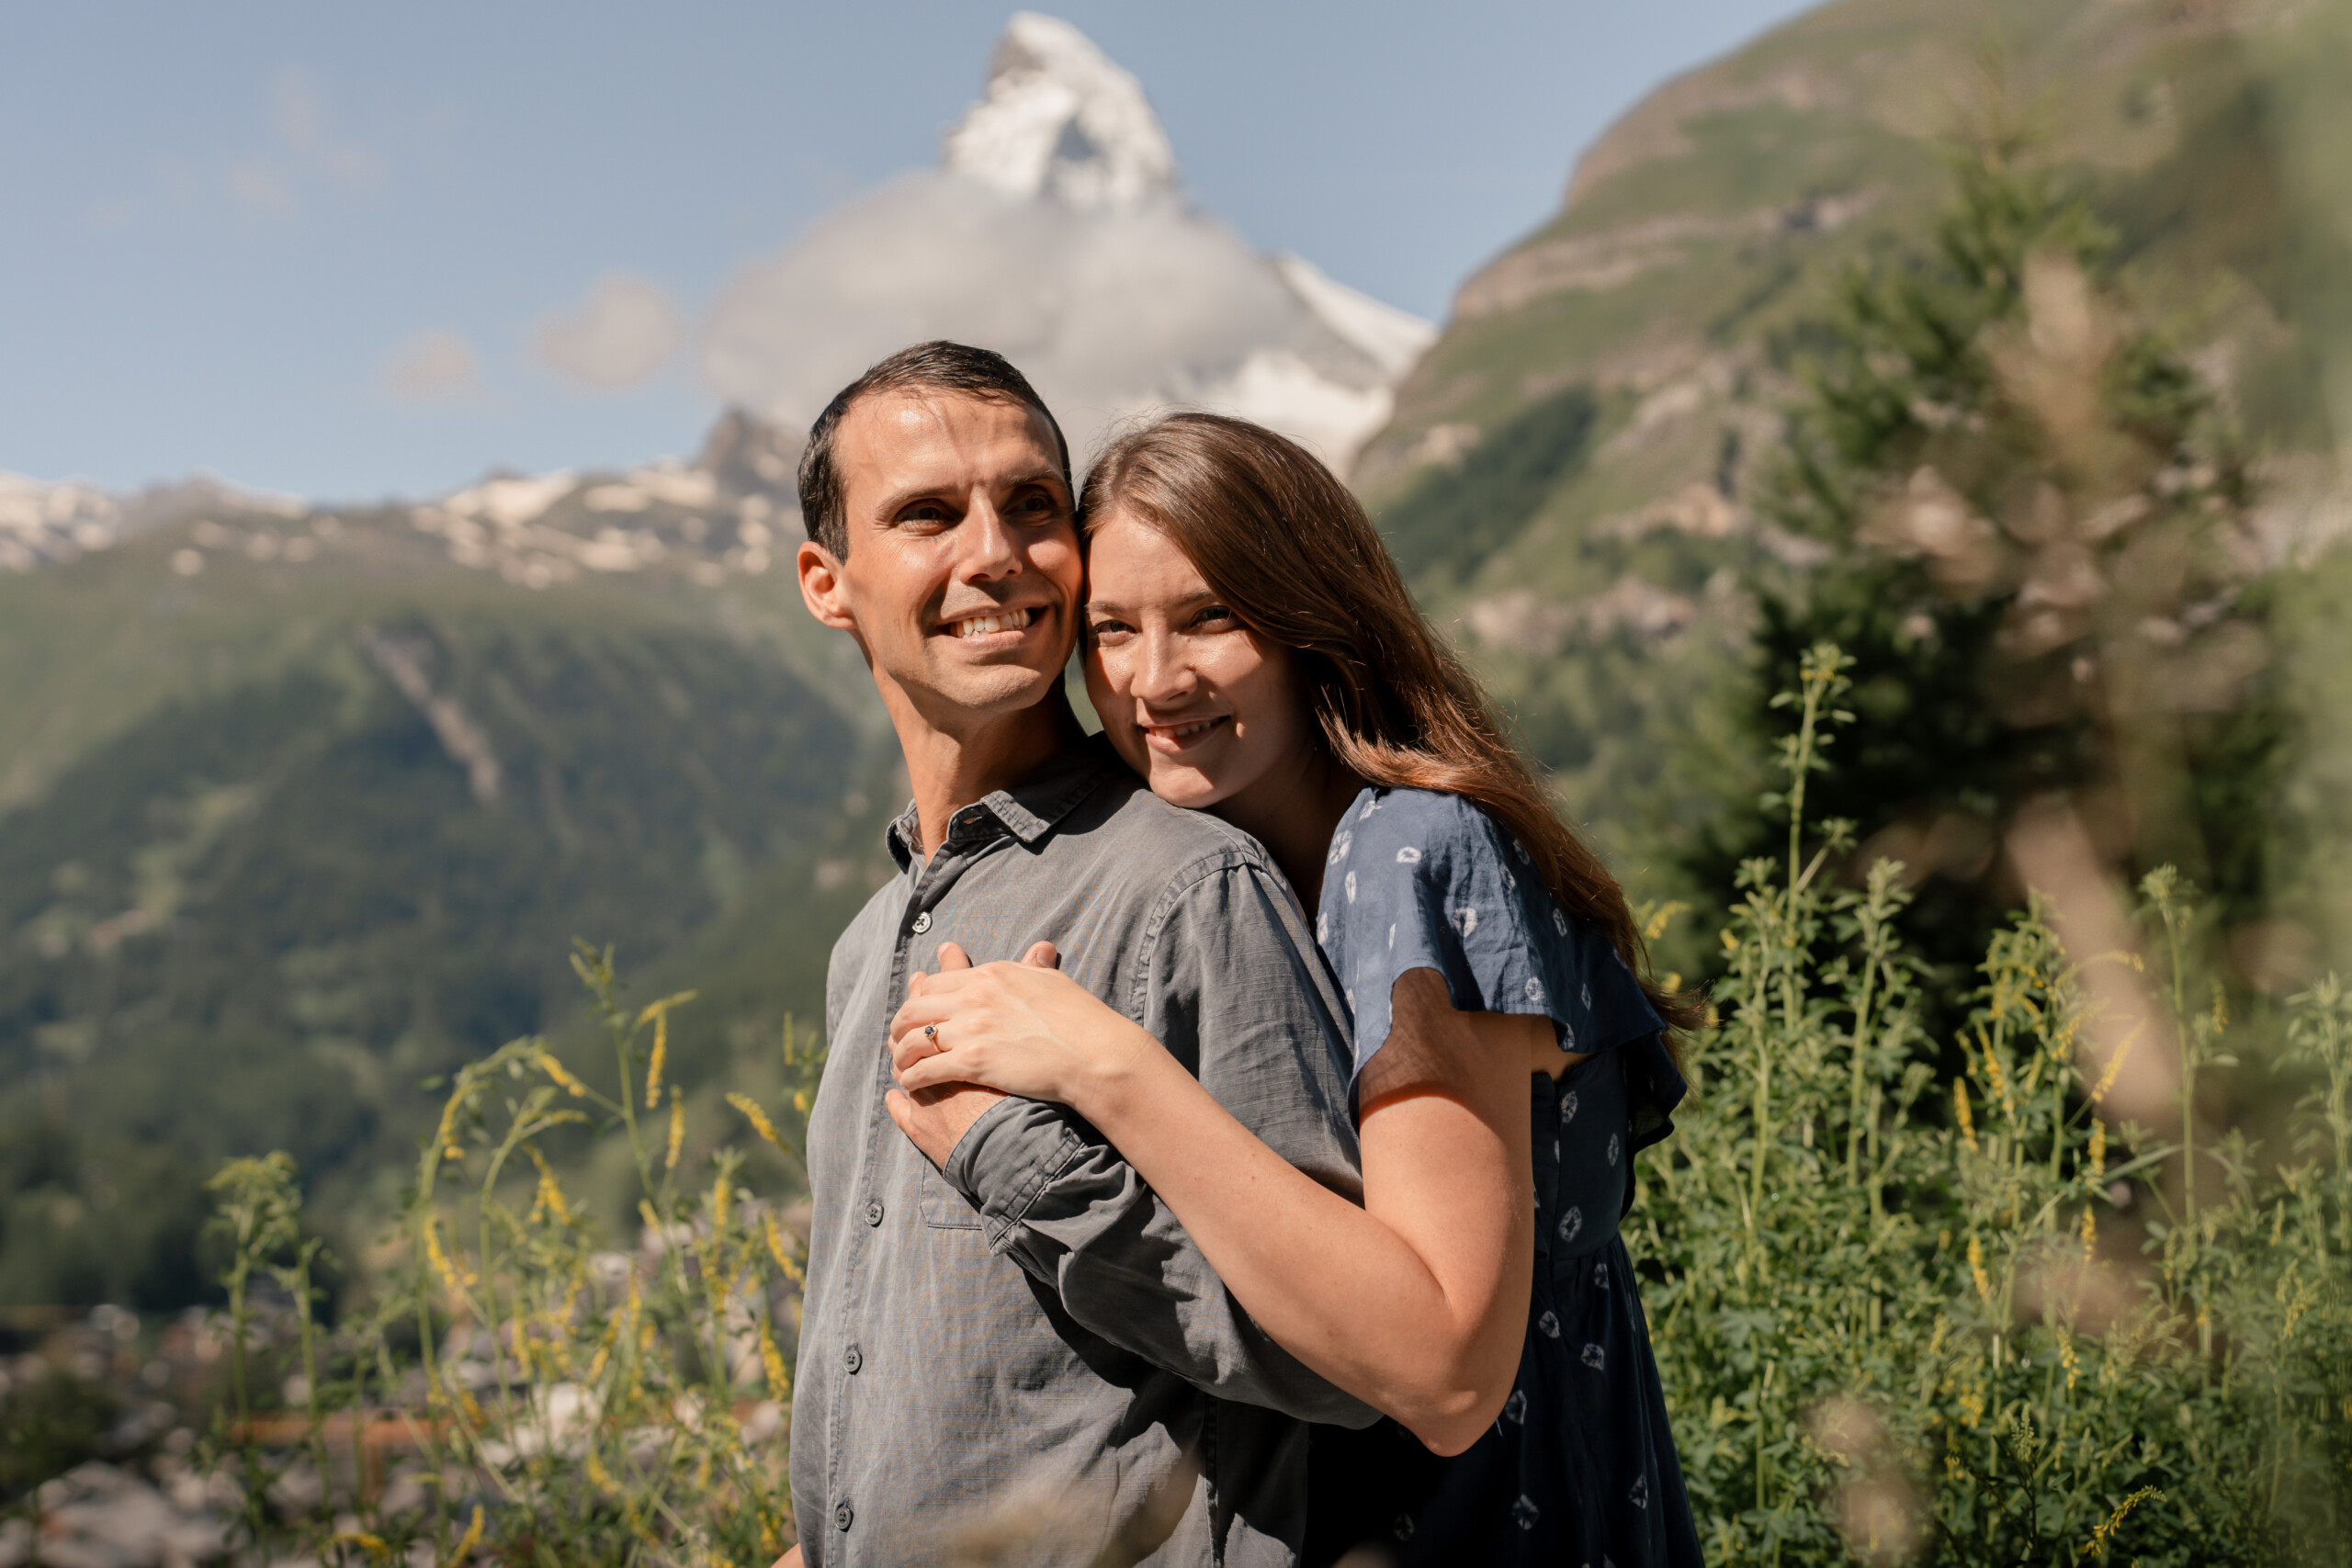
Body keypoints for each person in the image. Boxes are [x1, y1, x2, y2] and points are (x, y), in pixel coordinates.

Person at [889, 412, 1705, 1566]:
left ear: (1312, 621)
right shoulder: (1228, 871)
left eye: (1212, 617)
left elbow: (1444, 1365)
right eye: (1113, 631)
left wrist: (1106, 1066)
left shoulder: (1411, 852)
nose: (1154, 681)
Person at [776, 346, 1376, 1568]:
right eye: (930, 514)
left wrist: (1030, 1167)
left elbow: (1343, 1359)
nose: (994, 552)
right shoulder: (865, 943)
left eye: (1033, 506)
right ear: (828, 584)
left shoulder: (1187, 884)